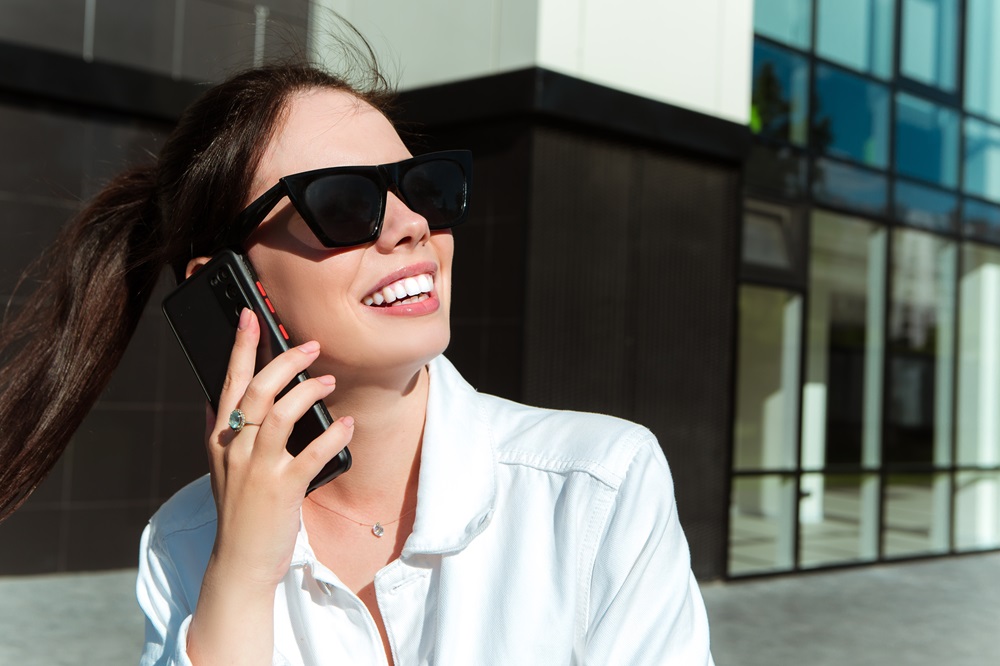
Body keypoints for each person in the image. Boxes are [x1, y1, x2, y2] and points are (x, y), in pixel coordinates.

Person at [0, 53, 713, 665]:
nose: (412, 227)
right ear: (229, 288)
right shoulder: (187, 544)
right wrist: (243, 577)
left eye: (423, 188)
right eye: (343, 202)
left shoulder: (596, 488)